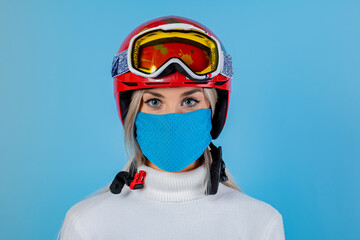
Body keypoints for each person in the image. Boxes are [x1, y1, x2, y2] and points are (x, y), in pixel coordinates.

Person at [57, 16, 285, 240]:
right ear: (132, 113)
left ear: (215, 111)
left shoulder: (259, 224)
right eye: (154, 102)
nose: (172, 118)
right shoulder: (88, 225)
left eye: (190, 101)